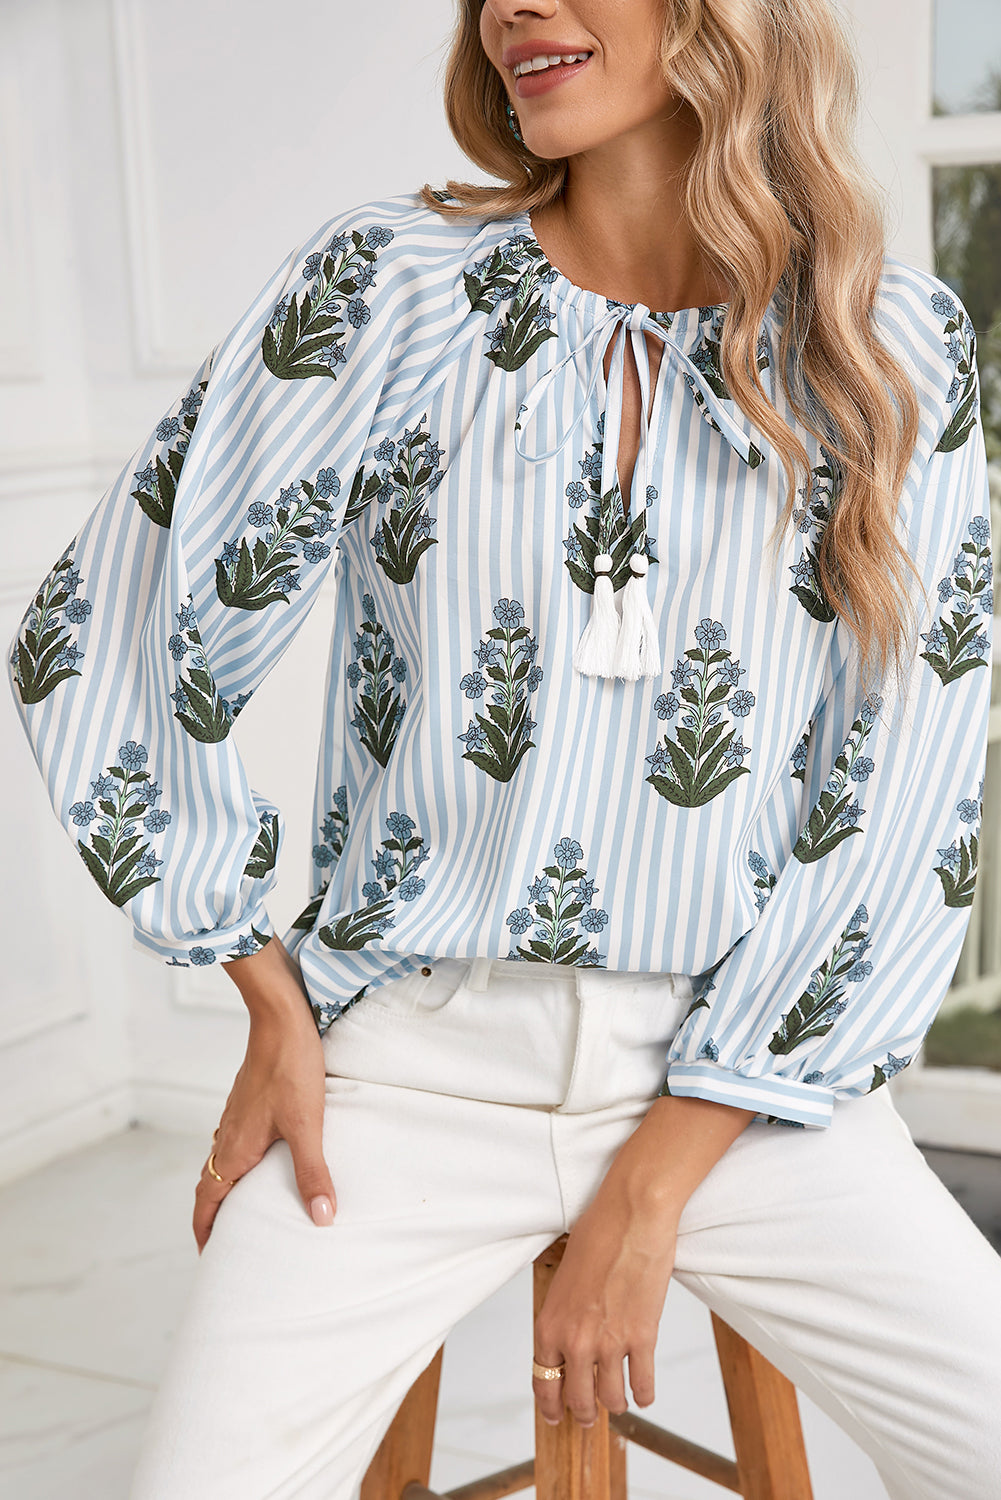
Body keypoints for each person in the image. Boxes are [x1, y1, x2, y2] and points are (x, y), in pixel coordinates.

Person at [8, 0, 1001, 1495]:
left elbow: (903, 802)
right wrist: (265, 992)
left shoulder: (887, 346)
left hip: (749, 1088)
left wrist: (654, 1181)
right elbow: (110, 629)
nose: (509, 9)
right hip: (406, 1066)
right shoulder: (386, 293)